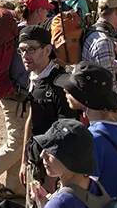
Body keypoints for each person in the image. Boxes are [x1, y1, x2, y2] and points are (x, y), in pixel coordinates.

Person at [55, 63, 117, 200]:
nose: (65, 90)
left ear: (85, 99)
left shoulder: (93, 139)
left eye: (71, 89)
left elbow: (85, 191)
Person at [17, 26, 79, 206]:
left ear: (47, 50)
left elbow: (66, 131)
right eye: (21, 50)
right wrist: (24, 160)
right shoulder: (34, 77)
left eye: (31, 49)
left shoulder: (61, 83)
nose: (25, 55)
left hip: (52, 167)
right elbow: (32, 117)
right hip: (35, 160)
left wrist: (53, 174)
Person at [29, 119, 114, 208]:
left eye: (51, 151)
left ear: (69, 159)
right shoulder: (94, 186)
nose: (42, 155)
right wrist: (44, 203)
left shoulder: (60, 202)